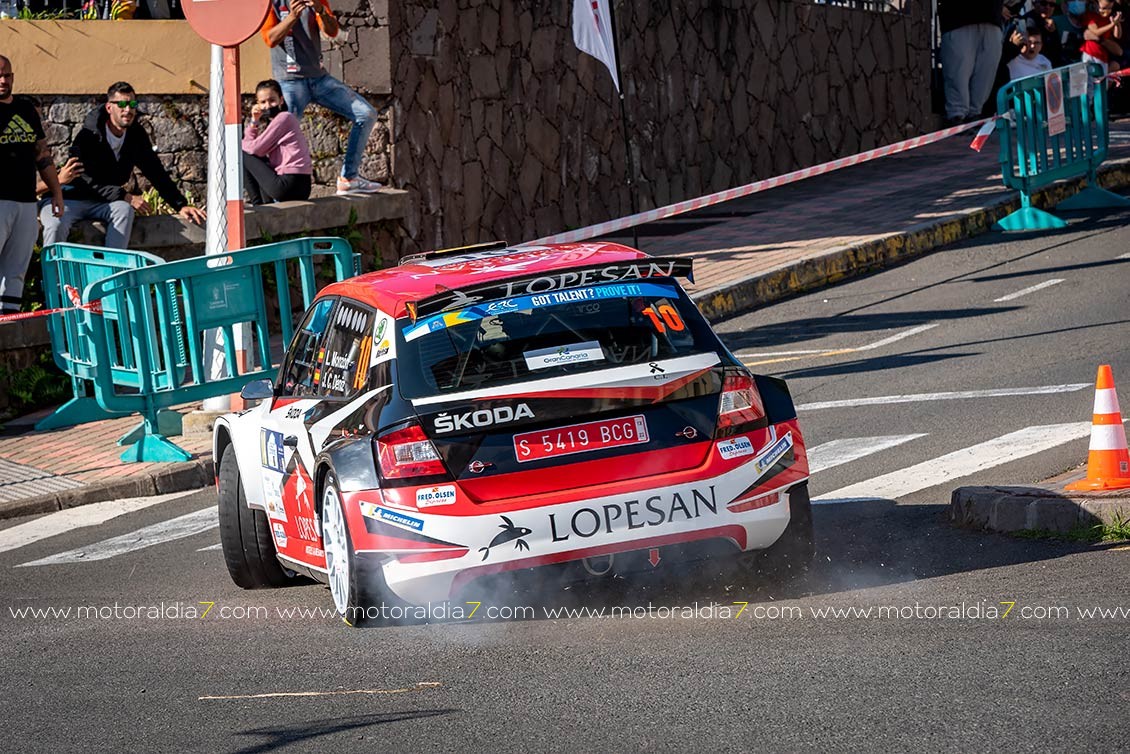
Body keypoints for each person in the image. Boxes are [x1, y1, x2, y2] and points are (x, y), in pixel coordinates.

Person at [39, 81, 206, 250]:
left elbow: (155, 171)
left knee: (124, 211)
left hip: (104, 203)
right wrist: (125, 196)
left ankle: (113, 265)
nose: (128, 110)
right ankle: (52, 267)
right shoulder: (88, 135)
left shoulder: (136, 135)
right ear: (109, 107)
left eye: (132, 104)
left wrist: (180, 204)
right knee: (55, 224)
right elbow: (84, 178)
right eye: (122, 104)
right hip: (69, 199)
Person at [260, 0, 382, 196]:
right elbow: (270, 38)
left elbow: (332, 32)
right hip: (289, 80)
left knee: (366, 114)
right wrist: (292, 17)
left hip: (319, 77)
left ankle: (349, 178)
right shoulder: (270, 3)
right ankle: (276, 193)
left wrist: (320, 10)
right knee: (281, 135)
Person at [0, 55, 63, 315]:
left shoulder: (25, 109)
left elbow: (42, 154)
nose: (3, 80)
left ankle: (9, 319)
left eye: (7, 75)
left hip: (26, 201)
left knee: (17, 268)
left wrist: (56, 192)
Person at [242, 79, 313, 205]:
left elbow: (254, 149)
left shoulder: (284, 118)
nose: (268, 106)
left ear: (281, 100)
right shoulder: (280, 120)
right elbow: (255, 149)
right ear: (257, 104)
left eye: (272, 100)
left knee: (242, 153)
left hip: (290, 183)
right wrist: (254, 121)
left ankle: (257, 204)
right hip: (300, 185)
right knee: (253, 155)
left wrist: (237, 144)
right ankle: (263, 204)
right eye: (263, 102)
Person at [940, 0, 1008, 125]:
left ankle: (974, 117)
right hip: (958, 19)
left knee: (985, 76)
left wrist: (1009, 7)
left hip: (992, 21)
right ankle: (957, 117)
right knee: (958, 74)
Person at [1082, 0, 1123, 71]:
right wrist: (1112, 24)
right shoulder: (1091, 16)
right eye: (1103, 8)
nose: (1107, 11)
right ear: (1096, 5)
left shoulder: (1109, 19)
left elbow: (1117, 36)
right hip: (1091, 52)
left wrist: (1117, 23)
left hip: (1103, 54)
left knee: (1102, 75)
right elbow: (1095, 32)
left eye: (1109, 8)